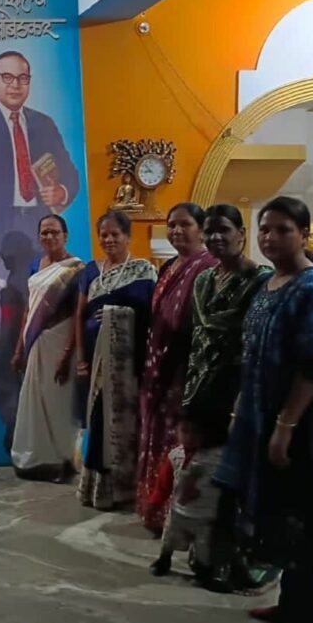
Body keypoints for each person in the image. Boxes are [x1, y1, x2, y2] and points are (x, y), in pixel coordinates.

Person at [215, 196, 313, 623]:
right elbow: (252, 353)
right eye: (264, 229)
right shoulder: (270, 283)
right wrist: (242, 410)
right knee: (278, 515)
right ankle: (291, 600)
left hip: (303, 430)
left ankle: (302, 611)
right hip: (263, 418)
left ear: (303, 234)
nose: (270, 238)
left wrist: (285, 425)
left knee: (301, 519)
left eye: (282, 230)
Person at [0, 51, 81, 450]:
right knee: (3, 335)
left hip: (39, 239)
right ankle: (11, 424)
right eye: (7, 77)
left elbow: (69, 174)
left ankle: (42, 422)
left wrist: (61, 192)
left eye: (22, 78)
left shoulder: (43, 124)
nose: (15, 85)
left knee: (44, 329)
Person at [181, 204, 273, 593]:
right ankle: (204, 557)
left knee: (235, 483)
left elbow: (260, 344)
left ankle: (236, 562)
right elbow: (197, 340)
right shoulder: (204, 280)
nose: (216, 237)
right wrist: (186, 399)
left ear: (241, 234)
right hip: (202, 394)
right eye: (210, 231)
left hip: (240, 396)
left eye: (224, 230)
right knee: (206, 479)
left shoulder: (261, 281)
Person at [136, 203, 218, 533]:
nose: (176, 231)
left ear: (202, 229)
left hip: (183, 369)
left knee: (177, 440)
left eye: (185, 224)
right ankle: (152, 506)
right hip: (157, 365)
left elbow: (196, 325)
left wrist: (176, 366)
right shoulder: (170, 266)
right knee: (155, 433)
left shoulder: (208, 267)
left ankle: (175, 514)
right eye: (171, 225)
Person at [74, 211, 157, 510]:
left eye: (115, 234)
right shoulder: (92, 273)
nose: (109, 239)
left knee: (123, 419)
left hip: (128, 362)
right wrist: (81, 357)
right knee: (98, 420)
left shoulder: (144, 271)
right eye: (104, 235)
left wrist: (114, 315)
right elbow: (80, 316)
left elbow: (152, 316)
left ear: (128, 236)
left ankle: (124, 489)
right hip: (96, 359)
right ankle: (98, 488)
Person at [9, 215, 84, 480]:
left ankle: (64, 460)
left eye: (54, 232)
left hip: (61, 342)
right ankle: (37, 459)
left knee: (58, 402)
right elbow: (29, 309)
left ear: (65, 236)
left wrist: (68, 354)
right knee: (35, 399)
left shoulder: (77, 269)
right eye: (44, 232)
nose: (49, 237)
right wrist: (19, 350)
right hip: (36, 342)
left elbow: (79, 314)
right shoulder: (36, 265)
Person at [148, 414, 226, 581]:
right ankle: (164, 559)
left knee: (203, 543)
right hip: (178, 510)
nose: (190, 437)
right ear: (176, 431)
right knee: (170, 537)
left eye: (195, 432)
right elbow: (163, 484)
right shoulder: (175, 456)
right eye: (185, 431)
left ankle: (203, 570)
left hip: (206, 512)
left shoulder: (216, 457)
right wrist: (154, 503)